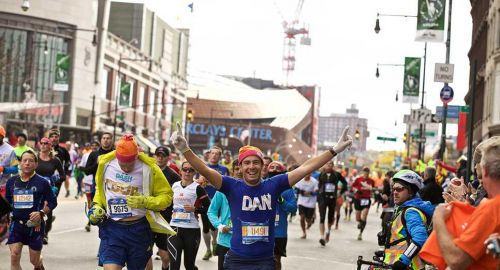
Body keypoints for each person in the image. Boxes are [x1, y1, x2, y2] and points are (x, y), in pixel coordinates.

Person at [170, 123, 352, 269]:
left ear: (262, 166)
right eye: (246, 163)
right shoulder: (231, 186)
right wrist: (184, 149)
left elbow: (306, 167)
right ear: (240, 167)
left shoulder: (274, 184)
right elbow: (204, 169)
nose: (251, 166)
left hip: (265, 261)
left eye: (256, 162)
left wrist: (334, 150)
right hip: (236, 260)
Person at [87, 134, 174, 270]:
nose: (126, 168)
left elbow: (167, 196)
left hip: (138, 229)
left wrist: (145, 201)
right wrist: (96, 205)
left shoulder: (149, 168)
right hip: (112, 228)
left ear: (136, 156)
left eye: (130, 164)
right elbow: (100, 189)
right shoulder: (106, 164)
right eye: (122, 164)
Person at [432, 138, 500, 269]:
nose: (475, 167)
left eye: (477, 164)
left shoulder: (491, 209)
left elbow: (456, 260)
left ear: (485, 170)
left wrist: (438, 219)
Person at [5, 150, 57, 270]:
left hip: (35, 226)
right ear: (20, 163)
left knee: (34, 261)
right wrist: (6, 218)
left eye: (31, 161)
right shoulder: (12, 182)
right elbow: (7, 203)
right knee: (14, 254)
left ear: (36, 164)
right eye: (25, 161)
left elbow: (53, 202)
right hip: (16, 225)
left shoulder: (43, 183)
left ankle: (39, 264)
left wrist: (41, 213)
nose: (27, 163)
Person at [382, 170, 434, 270]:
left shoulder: (411, 212)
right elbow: (403, 240)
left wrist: (403, 260)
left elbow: (420, 238)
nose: (395, 193)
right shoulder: (403, 209)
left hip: (409, 267)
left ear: (410, 192)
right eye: (394, 189)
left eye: (399, 189)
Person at [167, 161, 210, 270]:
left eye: (190, 170)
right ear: (180, 171)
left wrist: (195, 209)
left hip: (192, 231)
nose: (187, 172)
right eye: (185, 169)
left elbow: (209, 209)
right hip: (174, 229)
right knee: (174, 265)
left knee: (189, 266)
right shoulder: (174, 186)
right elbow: (168, 205)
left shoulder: (198, 188)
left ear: (194, 172)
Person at [146, 146, 181, 270]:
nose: (160, 158)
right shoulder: (147, 171)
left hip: (165, 219)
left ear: (168, 157)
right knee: (145, 253)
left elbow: (180, 196)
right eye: (158, 155)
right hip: (148, 218)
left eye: (163, 156)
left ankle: (165, 268)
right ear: (155, 156)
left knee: (165, 256)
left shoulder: (174, 176)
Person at [36, 137, 65, 245]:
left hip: (48, 189)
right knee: (34, 209)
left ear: (50, 146)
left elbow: (62, 176)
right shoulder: (35, 157)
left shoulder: (55, 160)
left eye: (45, 143)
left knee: (47, 211)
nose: (43, 145)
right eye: (41, 143)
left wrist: (54, 181)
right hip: (35, 188)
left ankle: (45, 234)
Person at [268, 161, 297, 270]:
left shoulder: (287, 189)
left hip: (279, 232)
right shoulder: (261, 184)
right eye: (272, 167)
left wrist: (281, 200)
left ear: (283, 171)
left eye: (277, 168)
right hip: (261, 229)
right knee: (259, 259)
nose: (274, 169)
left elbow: (293, 209)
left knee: (276, 259)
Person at [202, 146, 228, 260]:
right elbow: (197, 182)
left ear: (219, 156)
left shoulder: (224, 169)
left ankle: (215, 242)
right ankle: (208, 249)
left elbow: (227, 184)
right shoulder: (203, 167)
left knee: (214, 224)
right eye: (212, 153)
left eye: (217, 154)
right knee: (205, 226)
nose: (214, 155)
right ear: (208, 155)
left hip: (217, 199)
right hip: (204, 198)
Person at [317, 160, 347, 245]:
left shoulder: (337, 174)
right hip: (323, 198)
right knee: (322, 217)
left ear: (333, 166)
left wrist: (340, 193)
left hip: (332, 198)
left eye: (331, 164)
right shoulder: (322, 174)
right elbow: (319, 185)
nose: (329, 166)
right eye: (327, 164)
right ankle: (322, 237)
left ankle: (328, 232)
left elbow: (345, 183)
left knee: (330, 217)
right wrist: (320, 192)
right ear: (325, 166)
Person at [79, 141, 99, 232]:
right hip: (88, 181)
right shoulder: (86, 155)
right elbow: (82, 166)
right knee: (89, 201)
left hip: (96, 182)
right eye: (92, 145)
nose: (94, 147)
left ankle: (89, 222)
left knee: (95, 201)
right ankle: (90, 218)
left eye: (96, 146)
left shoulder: (99, 156)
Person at [351, 167, 374, 240]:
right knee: (358, 218)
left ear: (369, 173)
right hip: (358, 199)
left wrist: (371, 189)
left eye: (367, 172)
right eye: (365, 172)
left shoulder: (371, 181)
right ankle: (360, 222)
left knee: (364, 215)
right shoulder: (358, 179)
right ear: (363, 172)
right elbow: (352, 186)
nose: (366, 173)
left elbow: (373, 188)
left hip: (366, 199)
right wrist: (355, 189)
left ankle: (360, 233)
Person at [47, 129, 70, 198]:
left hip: (57, 179)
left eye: (56, 137)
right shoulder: (45, 149)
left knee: (53, 198)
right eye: (52, 137)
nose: (54, 139)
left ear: (58, 138)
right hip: (45, 177)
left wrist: (64, 174)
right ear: (49, 138)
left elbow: (68, 162)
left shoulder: (63, 150)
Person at [294, 173, 318, 239]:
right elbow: (296, 189)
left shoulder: (314, 181)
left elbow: (317, 192)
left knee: (308, 219)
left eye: (308, 173)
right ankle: (304, 233)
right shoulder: (300, 180)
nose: (307, 175)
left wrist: (310, 193)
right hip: (301, 201)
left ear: (311, 174)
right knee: (302, 217)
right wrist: (302, 192)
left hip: (311, 203)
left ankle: (310, 221)